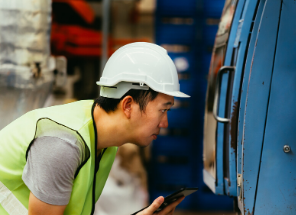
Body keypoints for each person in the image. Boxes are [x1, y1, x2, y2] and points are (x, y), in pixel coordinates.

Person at [0, 42, 190, 215]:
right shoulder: (64, 144)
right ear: (128, 105)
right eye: (163, 110)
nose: (164, 123)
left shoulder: (103, 141)